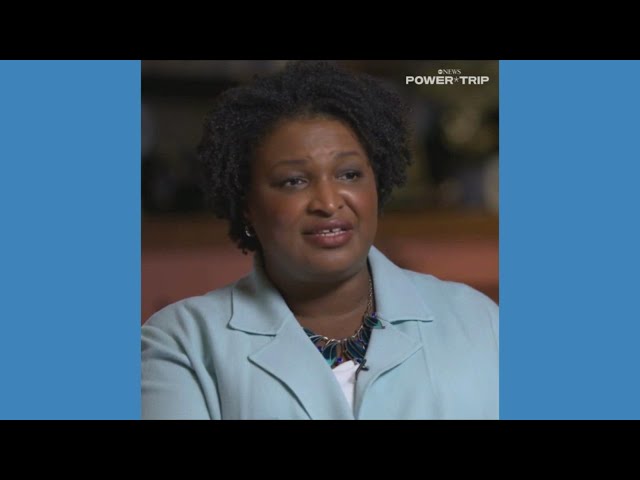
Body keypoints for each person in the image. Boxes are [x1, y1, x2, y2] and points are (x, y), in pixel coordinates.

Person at [141, 61, 498, 420]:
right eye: (294, 181)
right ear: (247, 204)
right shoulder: (182, 341)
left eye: (349, 174)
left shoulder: (478, 320)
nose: (328, 203)